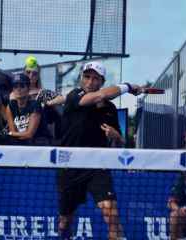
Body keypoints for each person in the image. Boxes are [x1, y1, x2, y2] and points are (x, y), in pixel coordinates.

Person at [58, 61, 141, 240]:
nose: (89, 82)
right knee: (65, 221)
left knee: (111, 215)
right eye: (86, 77)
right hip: (70, 165)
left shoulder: (110, 109)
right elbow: (98, 96)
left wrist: (114, 135)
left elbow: (121, 141)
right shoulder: (75, 95)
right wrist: (128, 86)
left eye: (95, 78)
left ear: (101, 82)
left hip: (97, 166)